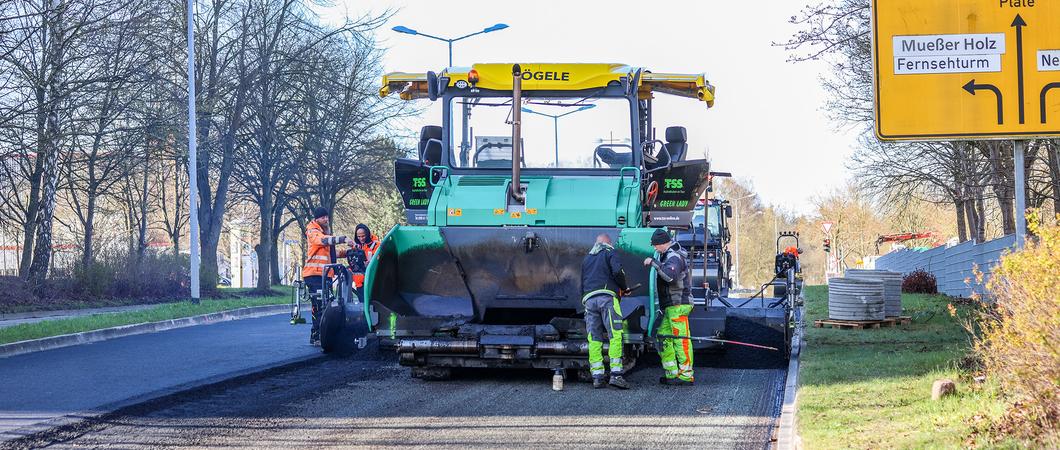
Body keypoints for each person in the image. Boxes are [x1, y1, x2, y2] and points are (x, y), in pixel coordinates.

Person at [644, 228, 695, 386]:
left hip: (678, 304)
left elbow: (670, 277)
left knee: (681, 340)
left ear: (662, 243)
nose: (654, 248)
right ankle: (672, 374)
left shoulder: (673, 257)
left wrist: (654, 263)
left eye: (655, 245)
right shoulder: (669, 256)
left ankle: (686, 375)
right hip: (670, 306)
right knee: (664, 337)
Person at [580, 233, 632, 389]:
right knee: (615, 334)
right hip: (607, 298)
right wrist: (624, 288)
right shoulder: (610, 252)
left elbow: (581, 283)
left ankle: (597, 377)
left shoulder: (587, 258)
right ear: (608, 243)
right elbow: (618, 272)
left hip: (589, 300)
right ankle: (616, 375)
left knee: (594, 337)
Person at [302, 207, 355, 346]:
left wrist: (346, 253)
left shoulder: (323, 232)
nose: (326, 219)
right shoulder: (313, 231)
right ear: (317, 219)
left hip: (324, 275)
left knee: (327, 305)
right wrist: (343, 238)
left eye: (327, 217)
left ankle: (324, 334)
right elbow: (324, 241)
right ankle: (316, 335)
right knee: (319, 305)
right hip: (314, 275)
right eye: (323, 217)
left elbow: (331, 254)